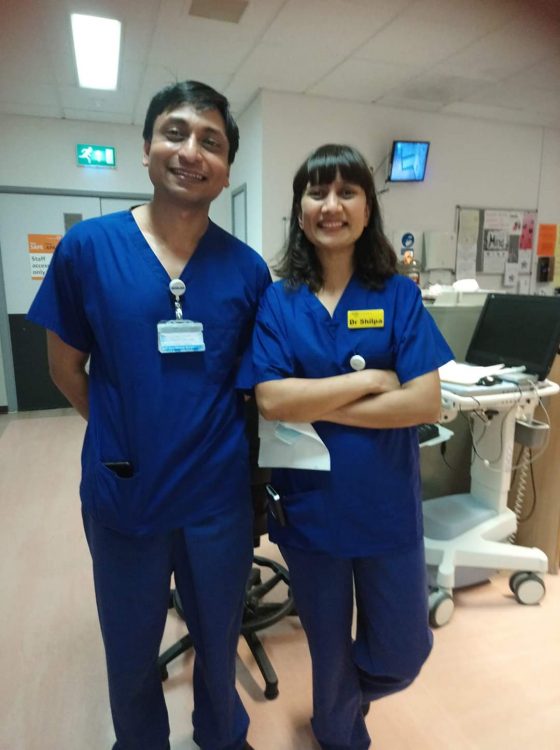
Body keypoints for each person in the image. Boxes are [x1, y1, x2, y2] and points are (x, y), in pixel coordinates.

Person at [28, 80, 271, 750]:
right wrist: (121, 430)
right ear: (145, 149)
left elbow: (256, 386)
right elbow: (63, 369)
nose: (191, 150)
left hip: (216, 501)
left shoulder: (247, 271)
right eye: (175, 132)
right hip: (124, 492)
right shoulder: (88, 251)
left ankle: (223, 738)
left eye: (211, 141)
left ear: (225, 171)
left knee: (220, 641)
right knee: (130, 652)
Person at [252, 144, 453, 750]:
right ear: (299, 209)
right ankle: (339, 733)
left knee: (405, 650)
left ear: (368, 210)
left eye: (346, 192)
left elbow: (424, 403)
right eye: (317, 193)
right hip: (312, 513)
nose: (331, 205)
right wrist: (368, 382)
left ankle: (340, 702)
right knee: (327, 646)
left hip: (386, 510)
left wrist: (311, 397)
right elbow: (269, 400)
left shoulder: (397, 295)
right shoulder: (279, 298)